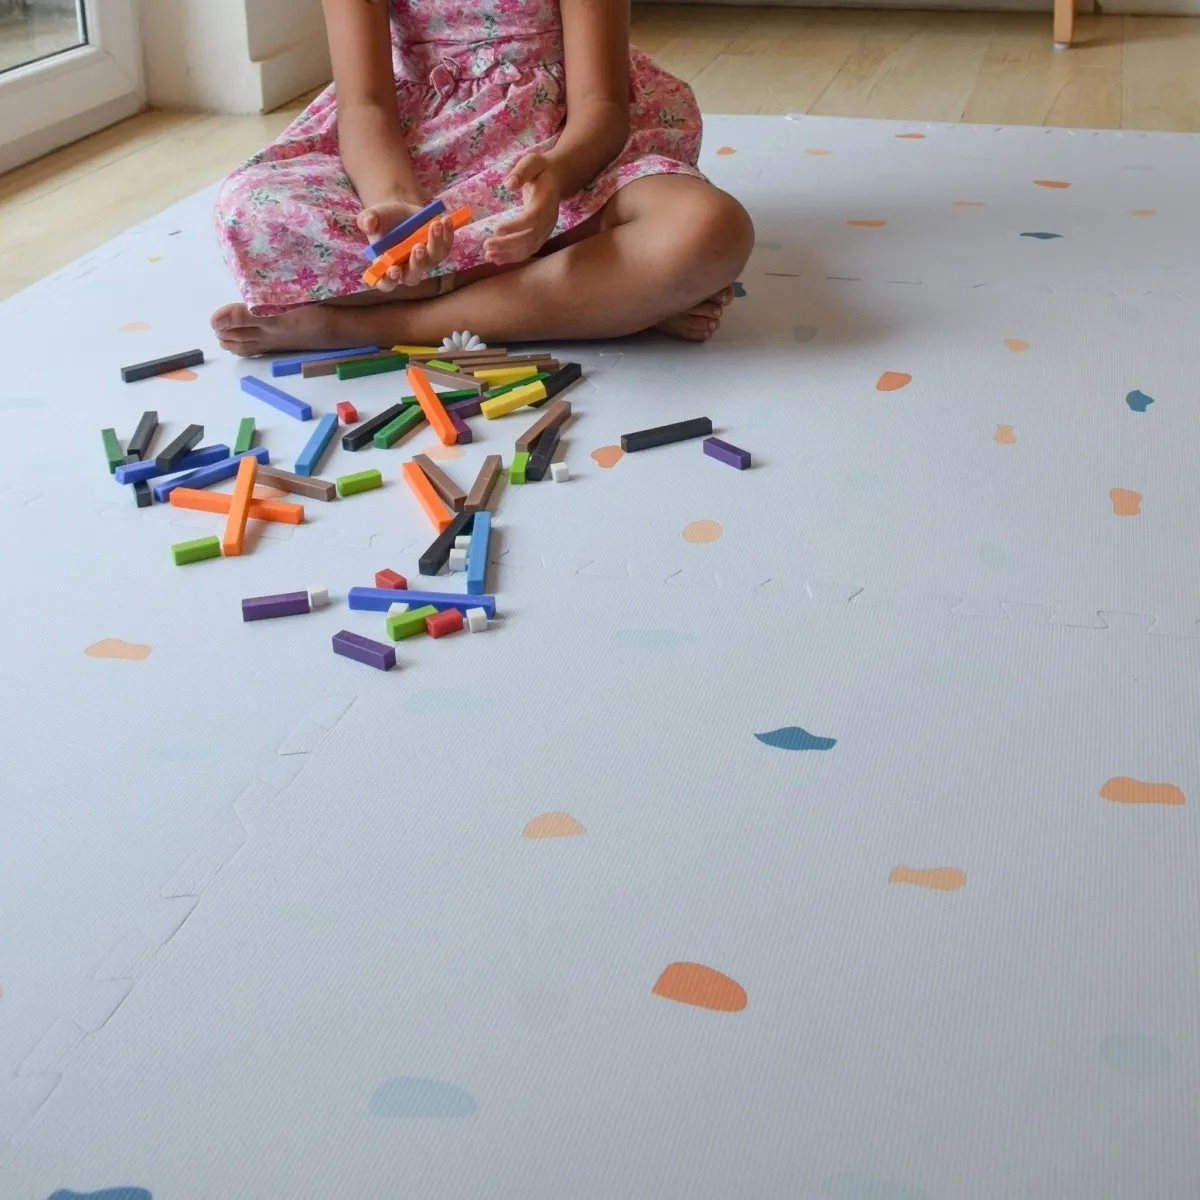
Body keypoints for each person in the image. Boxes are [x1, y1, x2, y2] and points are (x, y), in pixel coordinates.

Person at [210, 0, 754, 356]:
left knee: (709, 229)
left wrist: (557, 177)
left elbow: (602, 107)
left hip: (566, 151)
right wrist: (403, 212)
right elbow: (366, 108)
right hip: (420, 152)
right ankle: (608, 298)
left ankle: (368, 327)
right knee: (249, 210)